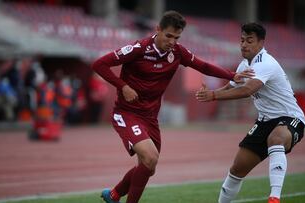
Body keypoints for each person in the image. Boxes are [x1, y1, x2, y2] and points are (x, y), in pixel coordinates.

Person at [92, 11, 253, 203]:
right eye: (168, 36)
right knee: (150, 158)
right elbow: (99, 64)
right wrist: (123, 86)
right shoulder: (138, 48)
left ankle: (114, 195)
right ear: (158, 30)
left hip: (150, 117)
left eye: (176, 37)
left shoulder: (177, 52)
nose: (172, 41)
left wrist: (231, 75)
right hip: (127, 113)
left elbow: (203, 66)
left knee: (148, 167)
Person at [195, 23, 305, 203]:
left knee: (276, 139)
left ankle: (274, 198)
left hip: (290, 117)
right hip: (264, 121)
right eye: (241, 40)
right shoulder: (244, 65)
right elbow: (232, 86)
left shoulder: (266, 63)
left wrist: (214, 95)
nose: (243, 45)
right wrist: (210, 95)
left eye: (249, 40)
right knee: (237, 170)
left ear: (261, 43)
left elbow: (247, 90)